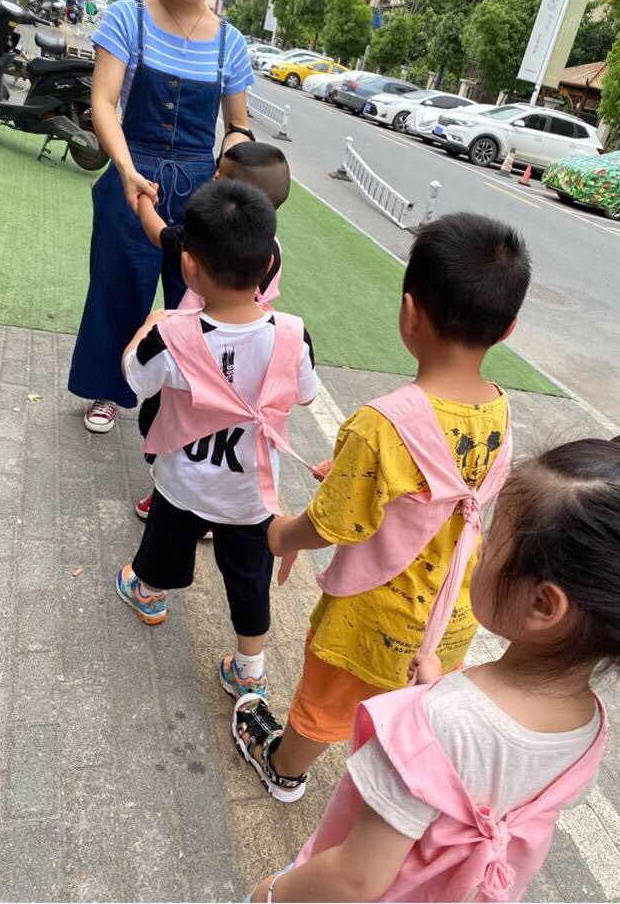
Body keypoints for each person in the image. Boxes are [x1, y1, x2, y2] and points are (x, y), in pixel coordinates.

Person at [248, 438, 620, 902]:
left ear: (543, 605)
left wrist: (271, 894)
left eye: (493, 542)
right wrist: (442, 693)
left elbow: (354, 879)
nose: (477, 552)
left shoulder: (435, 725)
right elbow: (488, 765)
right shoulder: (588, 724)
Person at [233, 213, 532, 802]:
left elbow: (331, 525)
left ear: (409, 312)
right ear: (508, 328)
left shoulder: (382, 424)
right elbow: (437, 493)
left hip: (372, 617)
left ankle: (284, 768)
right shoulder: (499, 409)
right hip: (449, 615)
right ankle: (386, 775)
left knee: (326, 702)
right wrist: (358, 475)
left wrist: (280, 535)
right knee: (408, 700)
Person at [117, 179, 318, 702]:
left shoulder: (171, 335)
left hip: (184, 481)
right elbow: (307, 396)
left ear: (189, 265)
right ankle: (250, 669)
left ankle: (150, 594)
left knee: (164, 544)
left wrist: (147, 326)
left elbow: (135, 380)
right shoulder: (294, 334)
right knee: (249, 578)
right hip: (251, 493)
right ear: (268, 264)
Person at [67, 0, 255, 434]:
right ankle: (109, 390)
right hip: (131, 172)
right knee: (118, 286)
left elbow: (237, 125)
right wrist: (127, 170)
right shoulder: (127, 18)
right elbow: (103, 102)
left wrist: (232, 161)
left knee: (197, 302)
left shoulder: (230, 43)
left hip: (200, 190)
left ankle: (184, 403)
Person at [134, 141, 291, 521]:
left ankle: (170, 496)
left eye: (219, 177)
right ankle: (213, 505)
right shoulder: (270, 249)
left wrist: (142, 199)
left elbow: (159, 233)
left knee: (167, 419)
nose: (212, 178)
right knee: (225, 428)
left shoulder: (204, 242)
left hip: (194, 350)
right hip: (247, 349)